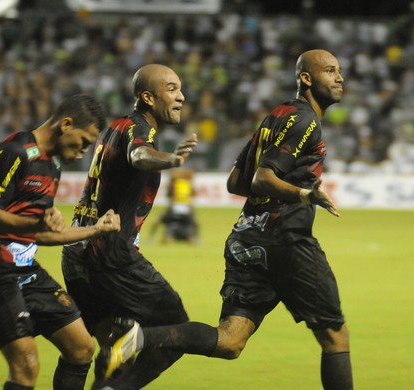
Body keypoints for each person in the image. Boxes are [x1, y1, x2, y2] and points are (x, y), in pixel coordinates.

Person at [98, 49, 353, 390]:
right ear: (306, 78)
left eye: (339, 71)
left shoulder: (276, 116)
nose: (339, 77)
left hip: (247, 239)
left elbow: (235, 182)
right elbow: (263, 179)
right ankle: (137, 339)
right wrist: (306, 194)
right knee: (335, 336)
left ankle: (137, 339)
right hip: (286, 240)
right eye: (330, 70)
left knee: (230, 341)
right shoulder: (305, 121)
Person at [0, 94, 121, 390]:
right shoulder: (15, 152)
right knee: (26, 367)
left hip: (25, 268)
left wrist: (97, 230)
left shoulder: (52, 166)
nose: (83, 152)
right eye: (84, 142)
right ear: (66, 124)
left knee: (82, 348)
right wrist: (36, 223)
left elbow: (40, 233)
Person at [60, 64, 199, 389]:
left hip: (77, 253)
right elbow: (139, 156)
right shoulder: (141, 129)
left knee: (98, 345)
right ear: (148, 97)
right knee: (176, 327)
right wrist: (171, 160)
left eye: (180, 88)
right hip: (110, 255)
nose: (181, 96)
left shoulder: (114, 127)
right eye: (172, 89)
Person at [150, 168, 199, 244]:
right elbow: (194, 194)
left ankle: (151, 238)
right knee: (195, 223)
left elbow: (169, 195)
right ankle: (195, 238)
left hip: (174, 208)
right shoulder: (187, 183)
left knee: (156, 222)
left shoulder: (173, 183)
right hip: (187, 209)